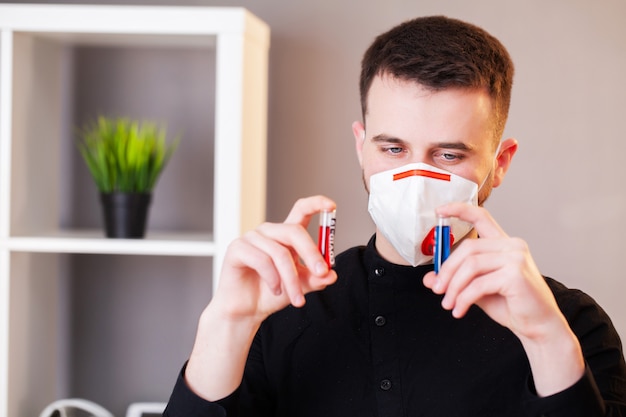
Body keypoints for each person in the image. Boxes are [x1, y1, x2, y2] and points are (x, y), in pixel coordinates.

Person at [163, 15, 626, 416]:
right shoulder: (280, 313)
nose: (414, 177)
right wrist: (226, 322)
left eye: (447, 155)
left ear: (499, 163)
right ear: (361, 147)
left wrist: (546, 339)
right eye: (393, 148)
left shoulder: (574, 325)